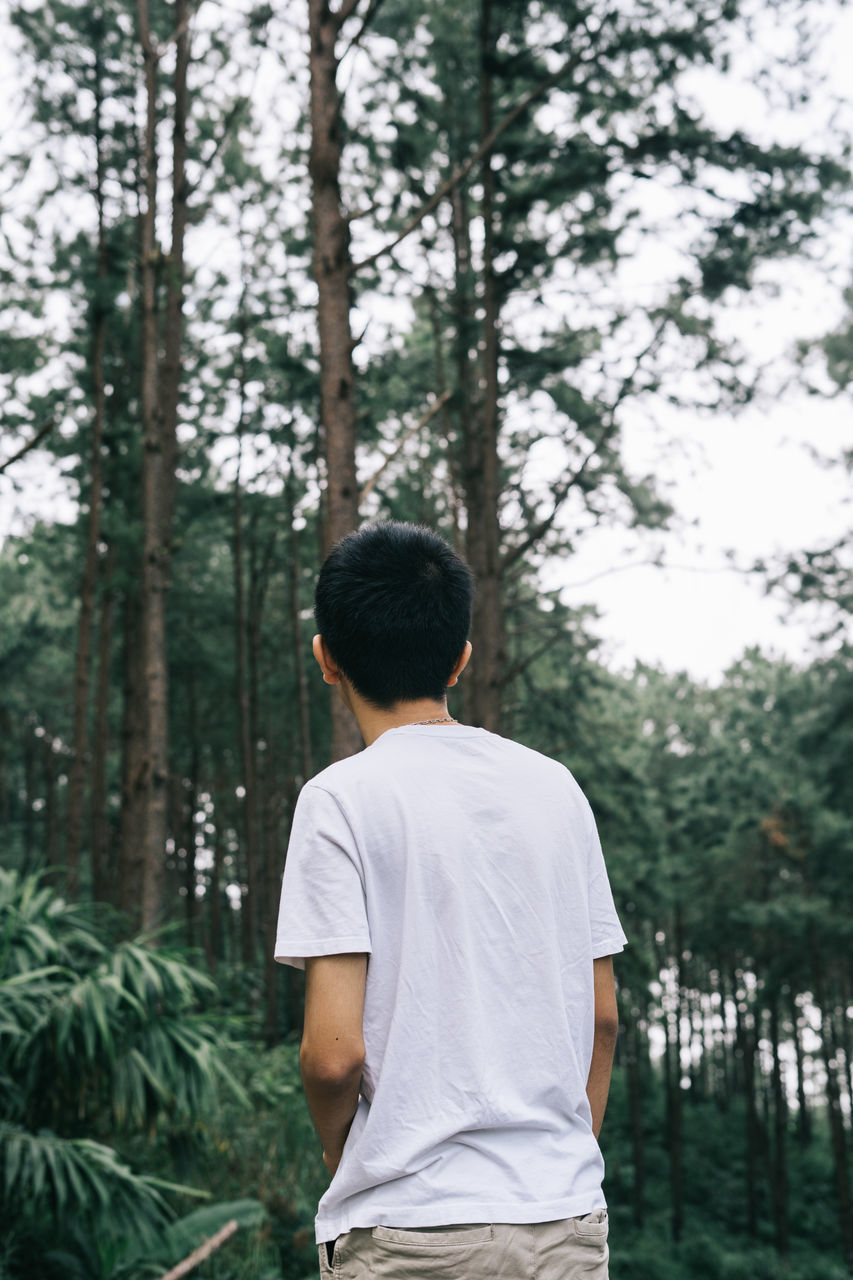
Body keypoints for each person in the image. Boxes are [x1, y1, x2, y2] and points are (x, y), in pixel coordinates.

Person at [275, 521, 626, 1280]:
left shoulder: (338, 799)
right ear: (460, 659)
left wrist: (349, 1159)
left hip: (411, 1231)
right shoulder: (555, 789)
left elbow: (333, 1058)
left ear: (325, 658)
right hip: (563, 1223)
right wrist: (560, 1162)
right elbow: (601, 1019)